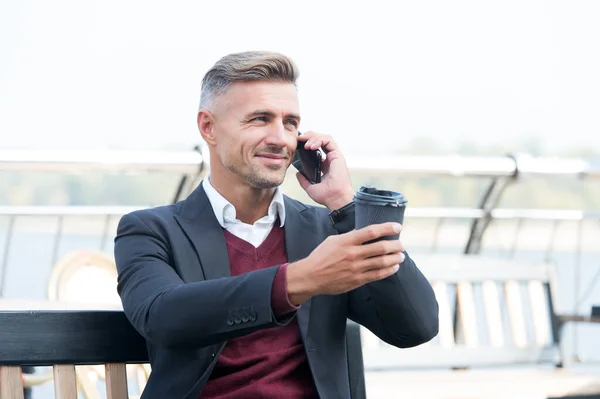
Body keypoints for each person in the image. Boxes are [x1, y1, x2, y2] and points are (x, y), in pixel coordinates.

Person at [114, 51, 439, 399]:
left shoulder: (326, 231)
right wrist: (303, 279)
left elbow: (416, 327)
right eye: (259, 119)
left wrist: (344, 204)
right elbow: (162, 316)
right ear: (208, 127)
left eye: (290, 123)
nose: (281, 138)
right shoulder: (150, 230)